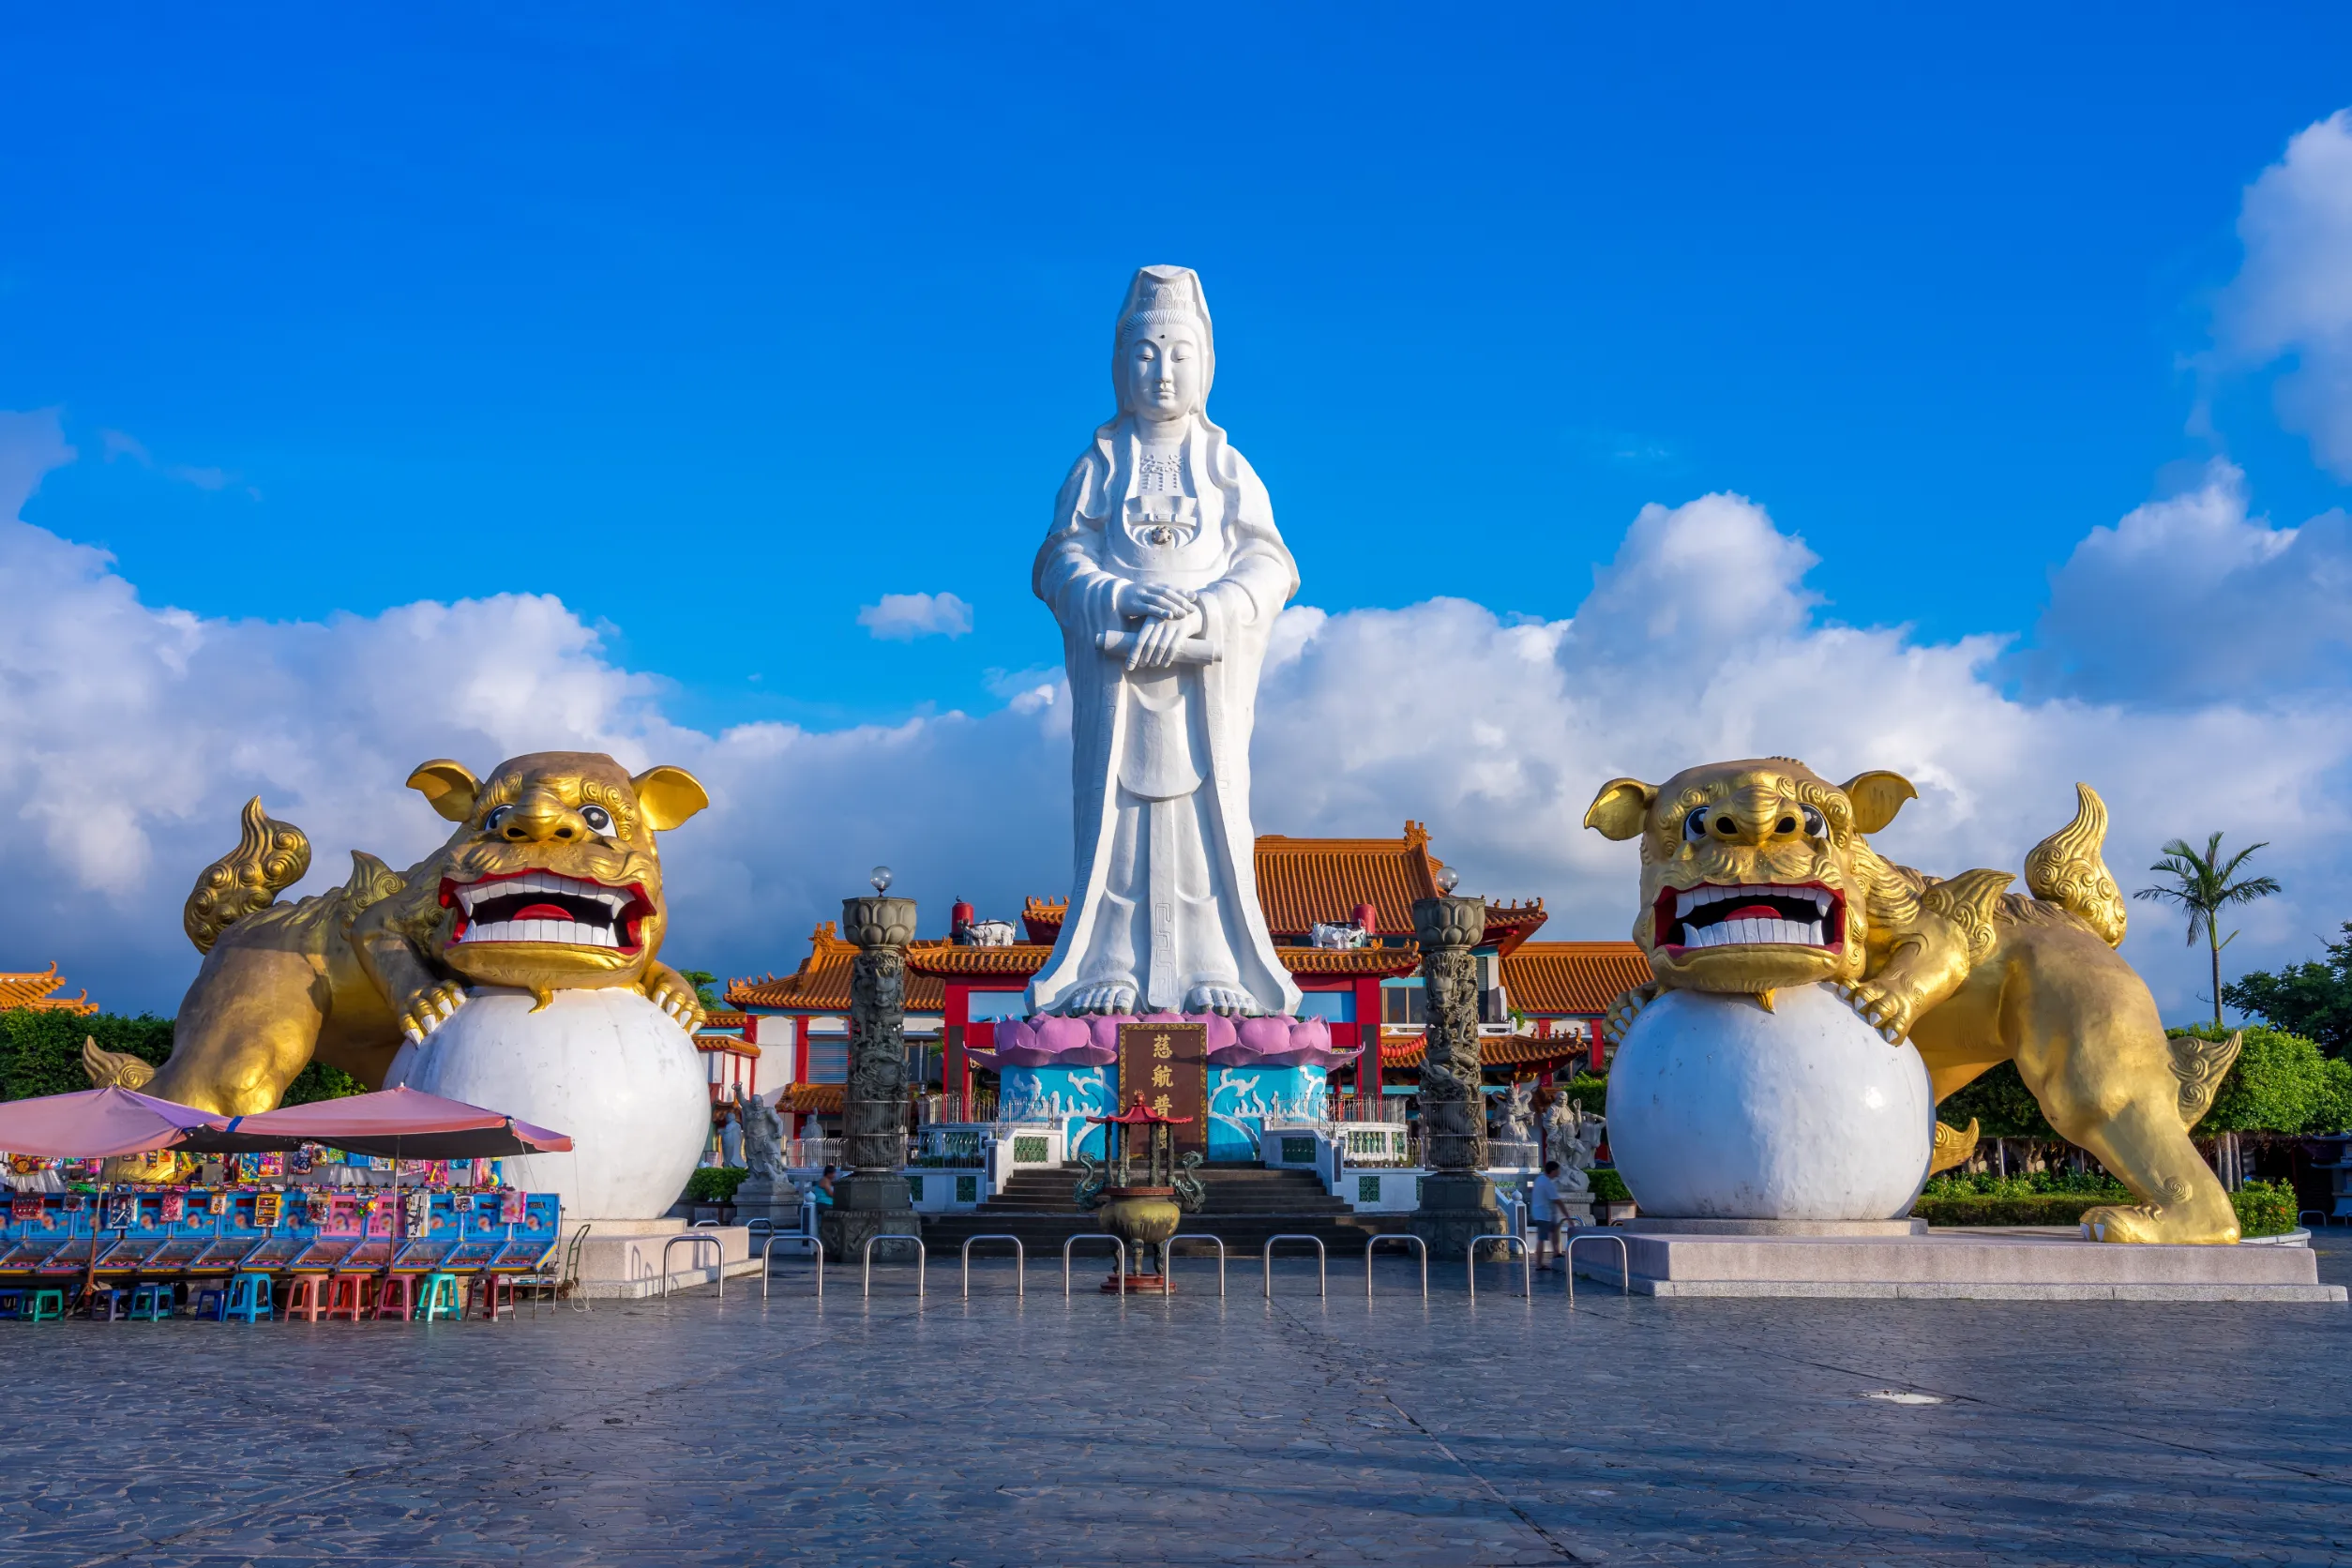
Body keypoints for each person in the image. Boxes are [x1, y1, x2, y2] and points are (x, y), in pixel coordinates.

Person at [1530, 1160, 1566, 1272]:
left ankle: (1556, 1252)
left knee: (1554, 1229)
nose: (1559, 1172)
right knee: (1541, 1239)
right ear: (1554, 1170)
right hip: (1543, 1215)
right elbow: (1557, 1201)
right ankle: (1539, 1264)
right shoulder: (1547, 1183)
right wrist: (1568, 1217)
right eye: (1558, 1170)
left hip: (1542, 1213)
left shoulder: (1540, 1179)